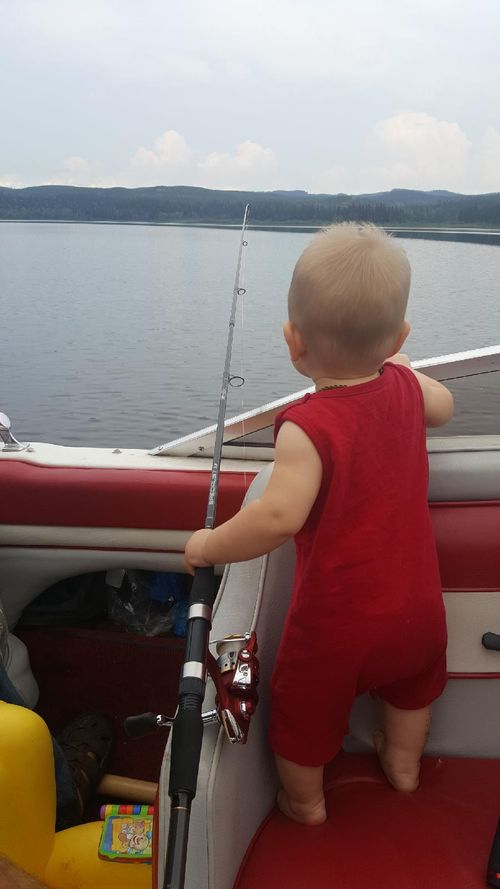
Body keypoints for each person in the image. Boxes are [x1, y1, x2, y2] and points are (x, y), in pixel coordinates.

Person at [185, 222, 454, 826]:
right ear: (399, 337)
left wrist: (209, 544)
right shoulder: (409, 388)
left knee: (303, 713)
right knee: (413, 691)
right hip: (417, 613)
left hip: (338, 625)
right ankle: (404, 767)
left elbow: (278, 516)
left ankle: (305, 804)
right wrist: (403, 368)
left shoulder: (307, 425)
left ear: (292, 341)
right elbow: (445, 405)